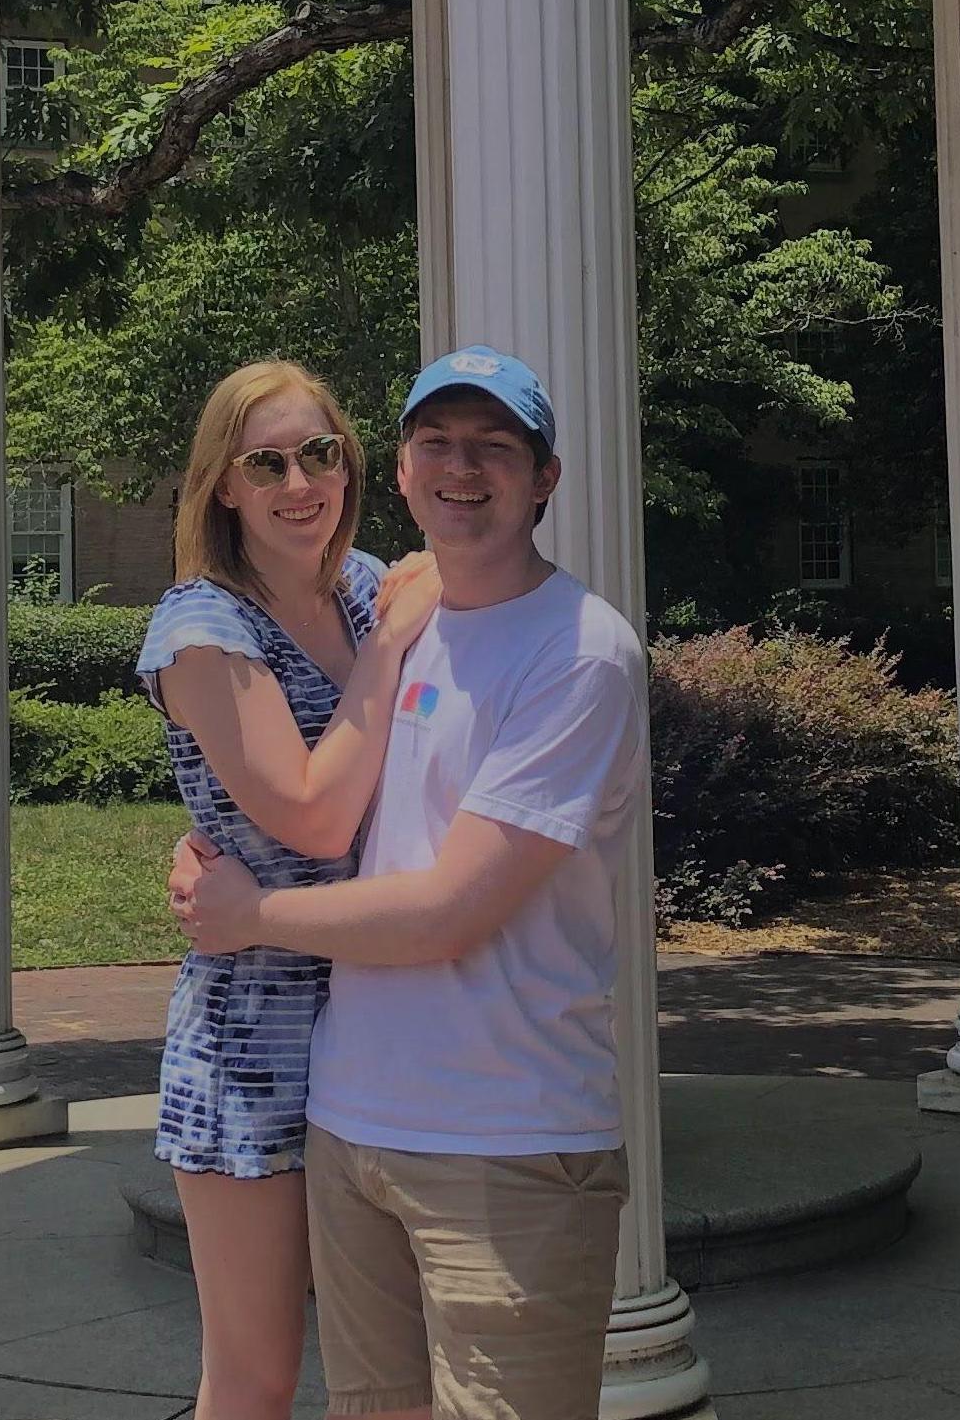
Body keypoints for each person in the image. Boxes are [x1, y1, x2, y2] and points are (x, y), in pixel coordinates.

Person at [176, 346, 649, 1420]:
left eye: (493, 445)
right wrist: (206, 836)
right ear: (396, 469)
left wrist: (249, 913)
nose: (461, 466)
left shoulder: (580, 651)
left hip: (506, 1135)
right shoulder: (389, 617)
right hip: (350, 1125)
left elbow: (447, 908)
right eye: (435, 441)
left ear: (545, 476)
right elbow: (310, 786)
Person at [138, 359, 441, 1420]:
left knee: (392, 1366)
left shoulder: (365, 588)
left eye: (318, 451)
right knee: (257, 1374)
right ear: (222, 483)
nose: (298, 480)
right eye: (263, 460)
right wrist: (393, 647)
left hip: (380, 1012)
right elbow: (310, 813)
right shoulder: (200, 626)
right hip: (255, 1031)